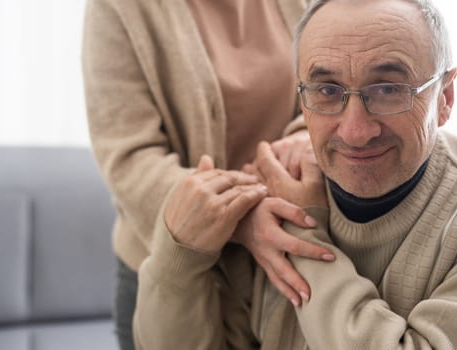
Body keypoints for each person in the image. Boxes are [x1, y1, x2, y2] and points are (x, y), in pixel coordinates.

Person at [133, 0, 457, 349]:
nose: (355, 131)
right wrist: (179, 256)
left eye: (388, 89)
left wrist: (304, 236)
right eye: (327, 90)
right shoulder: (265, 210)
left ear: (445, 98)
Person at [81, 0, 337, 349]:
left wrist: (304, 138)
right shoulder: (117, 7)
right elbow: (129, 156)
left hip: (280, 259)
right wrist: (238, 216)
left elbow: (326, 86)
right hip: (171, 265)